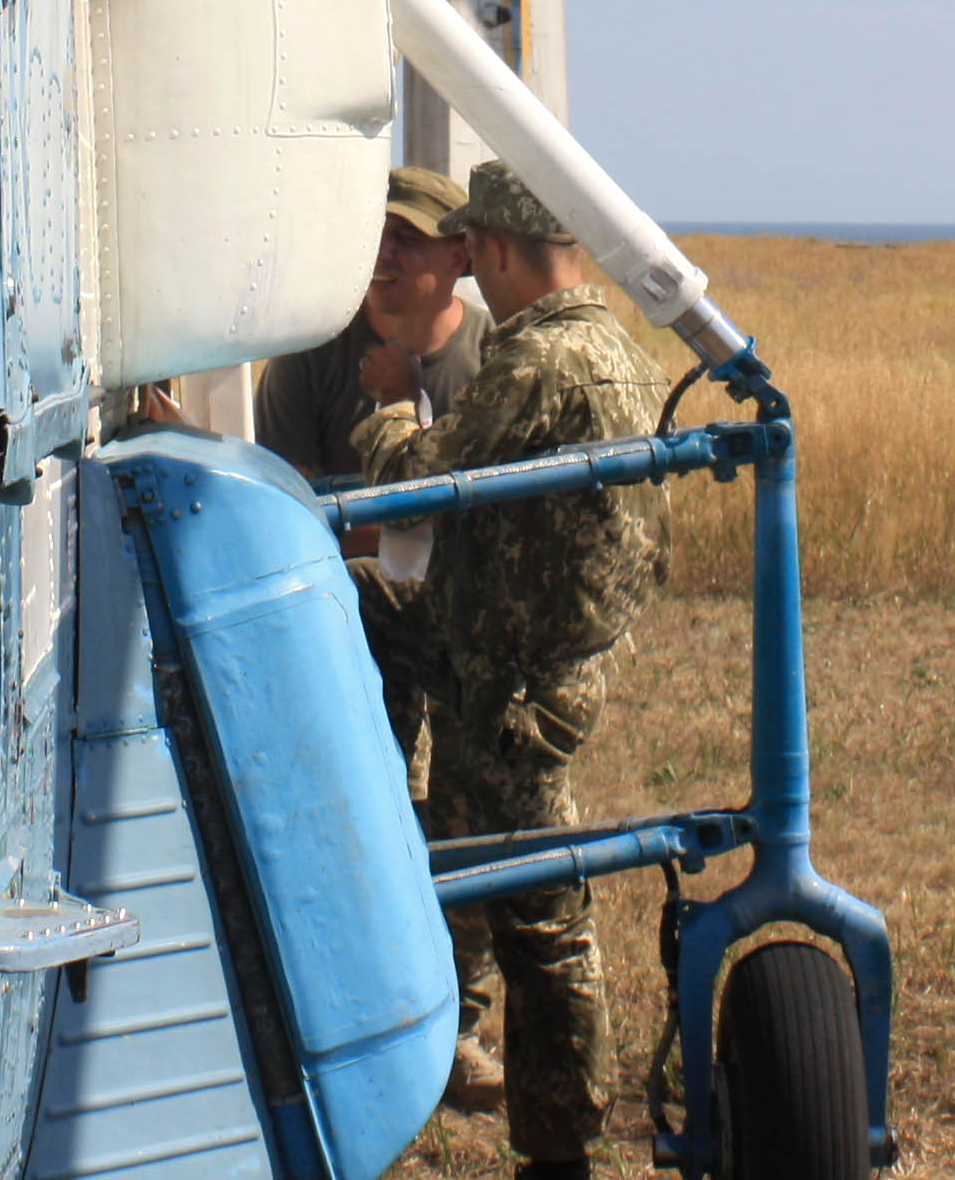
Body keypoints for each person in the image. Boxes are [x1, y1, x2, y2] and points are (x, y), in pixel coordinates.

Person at [350, 159, 673, 1180]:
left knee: (545, 918)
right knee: (365, 604)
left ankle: (563, 1148)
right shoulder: (611, 347)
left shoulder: (539, 362)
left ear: (488, 251)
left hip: (518, 682)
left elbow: (415, 486)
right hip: (528, 656)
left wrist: (393, 406)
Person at [255, 164, 488, 487]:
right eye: (373, 233)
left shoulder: (495, 351)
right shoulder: (310, 353)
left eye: (407, 238)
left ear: (459, 256)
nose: (382, 252)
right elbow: (288, 503)